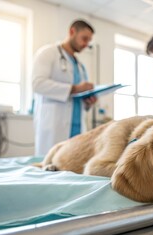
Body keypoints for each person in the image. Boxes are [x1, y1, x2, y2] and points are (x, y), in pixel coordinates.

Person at [32, 19, 97, 156]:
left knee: (73, 167)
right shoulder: (48, 53)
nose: (86, 44)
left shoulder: (80, 66)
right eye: (84, 39)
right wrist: (75, 88)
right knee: (51, 168)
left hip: (77, 128)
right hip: (54, 126)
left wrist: (88, 101)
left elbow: (80, 95)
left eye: (89, 41)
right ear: (72, 31)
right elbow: (37, 84)